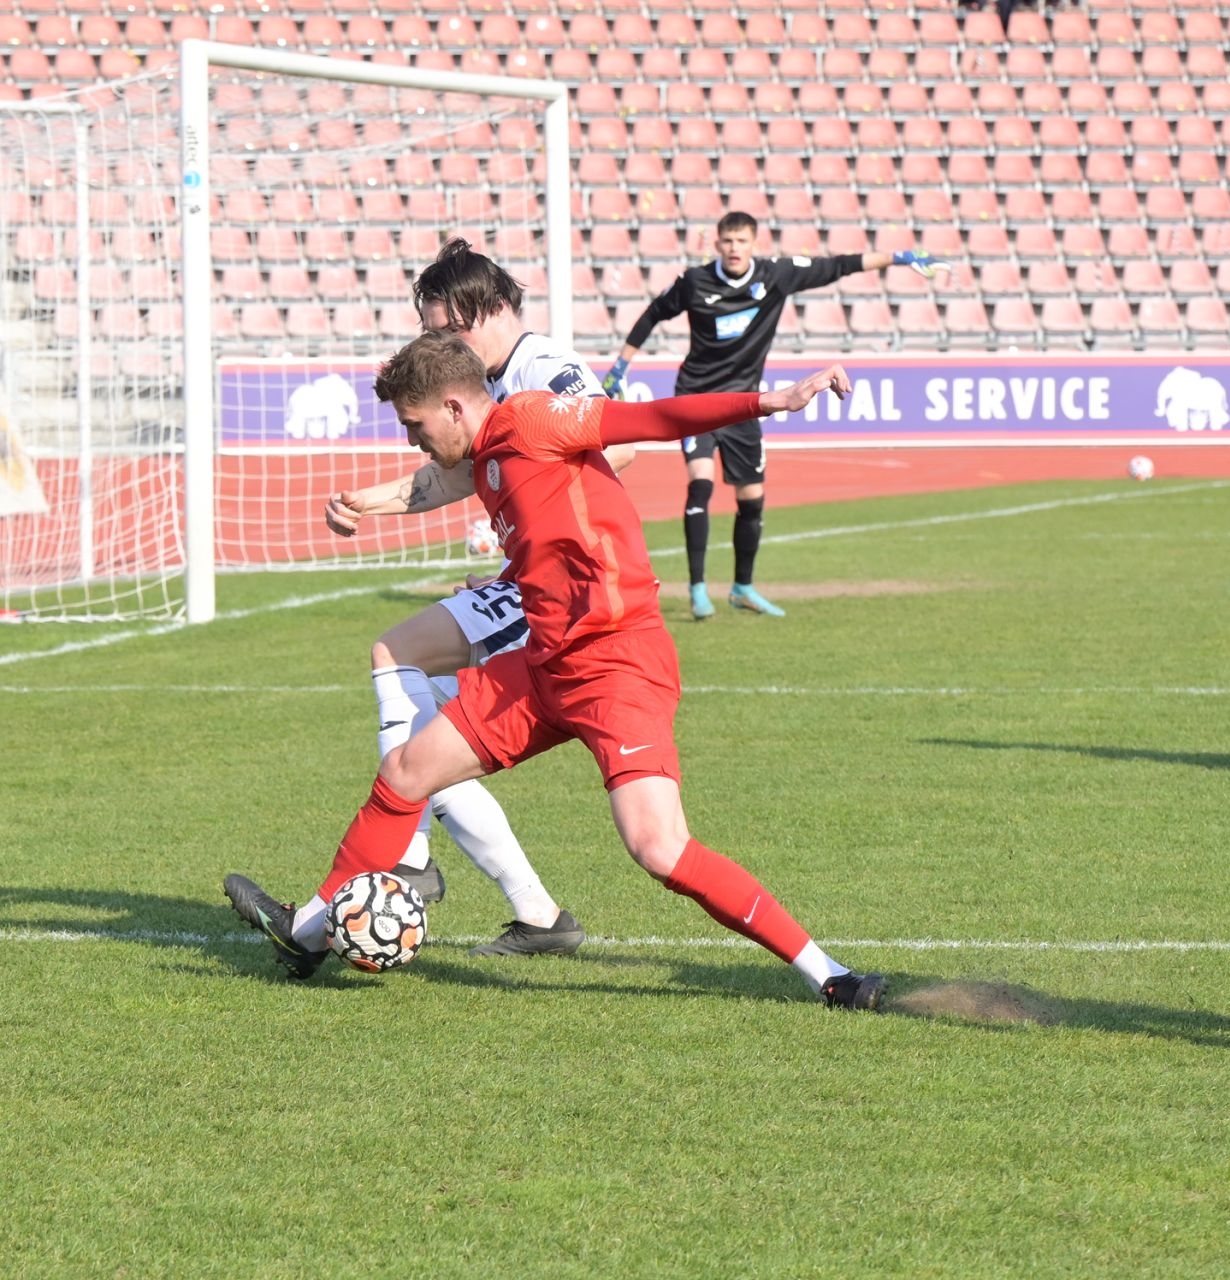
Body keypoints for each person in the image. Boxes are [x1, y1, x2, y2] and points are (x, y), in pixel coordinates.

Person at [224, 332, 888, 1009]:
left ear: (454, 407)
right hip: (545, 667)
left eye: (415, 425)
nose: (412, 442)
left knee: (658, 847)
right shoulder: (484, 462)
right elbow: (559, 531)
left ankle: (830, 975)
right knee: (405, 773)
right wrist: (512, 573)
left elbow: (651, 419)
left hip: (618, 662)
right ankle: (308, 936)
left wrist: (771, 400)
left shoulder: (535, 418)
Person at [302, 239, 629, 958]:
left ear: (485, 310)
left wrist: (533, 502)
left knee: (402, 667)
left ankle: (407, 859)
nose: (439, 344)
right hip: (529, 578)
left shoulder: (544, 370)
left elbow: (617, 440)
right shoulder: (486, 386)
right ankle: (537, 916)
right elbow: (453, 476)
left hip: (568, 583)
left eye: (444, 328)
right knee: (432, 713)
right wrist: (371, 502)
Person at [602, 210, 947, 620]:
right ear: (717, 245)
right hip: (696, 399)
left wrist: (902, 257)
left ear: (754, 244)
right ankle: (697, 590)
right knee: (701, 484)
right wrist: (621, 366)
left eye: (741, 241)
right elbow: (654, 314)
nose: (734, 249)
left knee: (752, 500)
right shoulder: (696, 282)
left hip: (745, 405)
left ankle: (742, 588)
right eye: (727, 241)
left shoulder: (775, 276)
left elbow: (839, 266)